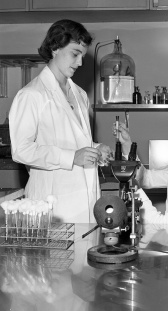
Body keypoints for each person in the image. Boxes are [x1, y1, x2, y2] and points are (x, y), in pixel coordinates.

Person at [9, 19, 113, 223]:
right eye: (75, 54)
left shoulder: (80, 94)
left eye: (82, 55)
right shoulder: (32, 95)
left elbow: (73, 142)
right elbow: (21, 150)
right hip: (53, 202)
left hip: (87, 200)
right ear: (55, 47)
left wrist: (95, 148)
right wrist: (72, 157)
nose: (80, 62)